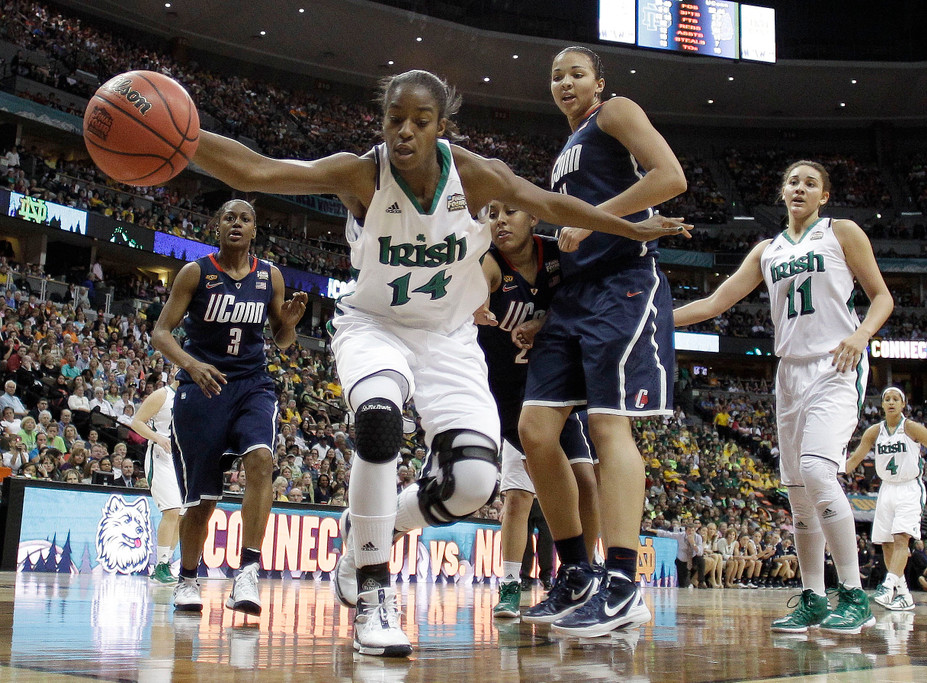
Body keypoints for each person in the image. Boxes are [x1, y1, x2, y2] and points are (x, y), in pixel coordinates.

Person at [187, 69, 685, 657]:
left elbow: (551, 203)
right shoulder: (360, 172)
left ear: (441, 127)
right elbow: (258, 170)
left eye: (419, 122)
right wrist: (180, 140)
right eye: (394, 120)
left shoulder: (475, 176)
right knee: (377, 421)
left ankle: (370, 532)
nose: (404, 132)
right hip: (375, 325)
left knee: (475, 482)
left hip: (448, 339)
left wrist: (626, 226)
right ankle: (374, 593)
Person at [674, 160, 894, 635]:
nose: (800, 187)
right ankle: (813, 598)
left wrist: (861, 336)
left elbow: (882, 297)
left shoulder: (842, 232)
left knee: (818, 471)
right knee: (796, 494)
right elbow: (715, 304)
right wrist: (653, 320)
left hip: (836, 364)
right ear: (782, 192)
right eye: (792, 181)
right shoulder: (766, 251)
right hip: (788, 373)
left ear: (823, 196)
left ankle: (853, 595)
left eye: (810, 183)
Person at [517, 46, 688, 638]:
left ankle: (622, 581)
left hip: (623, 287)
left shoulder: (614, 113)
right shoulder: (567, 149)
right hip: (573, 299)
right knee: (536, 431)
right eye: (557, 75)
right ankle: (577, 573)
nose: (565, 82)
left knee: (611, 426)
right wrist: (542, 313)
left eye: (576, 74)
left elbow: (671, 178)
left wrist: (592, 217)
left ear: (599, 81)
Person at [151, 199, 308, 617]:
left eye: (245, 218)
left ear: (255, 230)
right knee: (203, 499)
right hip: (201, 387)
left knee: (261, 460)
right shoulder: (195, 273)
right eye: (229, 217)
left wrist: (288, 323)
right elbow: (161, 333)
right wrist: (190, 364)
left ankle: (248, 571)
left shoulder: (269, 275)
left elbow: (282, 340)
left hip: (252, 385)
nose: (236, 223)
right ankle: (188, 578)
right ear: (217, 227)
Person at [475, 201, 600, 620]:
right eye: (492, 214)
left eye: (509, 211)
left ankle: (585, 574)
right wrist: (469, 305)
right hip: (507, 394)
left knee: (586, 478)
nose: (500, 220)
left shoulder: (557, 255)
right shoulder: (489, 265)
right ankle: (510, 585)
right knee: (517, 497)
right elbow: (470, 290)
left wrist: (544, 322)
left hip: (554, 387)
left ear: (534, 218)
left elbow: (581, 299)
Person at [846, 386, 927, 610]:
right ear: (882, 405)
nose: (891, 402)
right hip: (886, 488)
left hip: (909, 487)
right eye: (887, 399)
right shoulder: (874, 432)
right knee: (886, 543)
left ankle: (887, 587)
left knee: (900, 539)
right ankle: (903, 594)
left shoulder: (912, 428)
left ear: (903, 404)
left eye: (896, 399)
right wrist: (828, 470)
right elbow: (853, 460)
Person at [131, 374, 183, 585]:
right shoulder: (162, 394)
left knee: (181, 515)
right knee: (171, 510)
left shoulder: (189, 397)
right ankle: (160, 564)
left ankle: (166, 564)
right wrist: (158, 438)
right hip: (159, 455)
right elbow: (136, 422)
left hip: (180, 459)